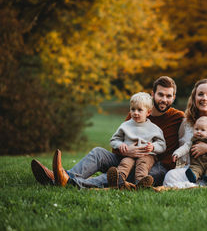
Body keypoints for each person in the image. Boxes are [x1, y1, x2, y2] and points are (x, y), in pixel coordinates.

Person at [31, 76, 184, 188]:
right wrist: (126, 149)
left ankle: (68, 182)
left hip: (153, 166)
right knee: (98, 152)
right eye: (161, 94)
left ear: (174, 97)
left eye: (168, 96)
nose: (164, 99)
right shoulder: (136, 114)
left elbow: (197, 125)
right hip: (127, 157)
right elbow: (116, 143)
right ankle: (62, 176)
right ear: (153, 94)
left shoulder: (178, 117)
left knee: (118, 174)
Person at [163, 79, 207, 187]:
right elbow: (184, 148)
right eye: (200, 94)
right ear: (194, 98)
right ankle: (201, 184)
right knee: (170, 176)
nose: (204, 98)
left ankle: (202, 184)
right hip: (194, 168)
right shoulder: (186, 122)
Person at [107, 92, 166, 189]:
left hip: (147, 155)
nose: (135, 113)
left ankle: (141, 183)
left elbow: (162, 145)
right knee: (125, 163)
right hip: (129, 154)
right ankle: (118, 180)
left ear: (148, 112)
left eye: (139, 110)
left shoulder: (154, 128)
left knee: (142, 165)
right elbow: (114, 140)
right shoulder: (125, 125)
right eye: (133, 109)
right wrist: (120, 144)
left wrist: (153, 146)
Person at [172, 116, 207, 186]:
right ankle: (193, 176)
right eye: (196, 129)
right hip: (197, 163)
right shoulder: (192, 140)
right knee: (194, 169)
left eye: (202, 130)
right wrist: (177, 154)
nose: (199, 132)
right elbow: (184, 148)